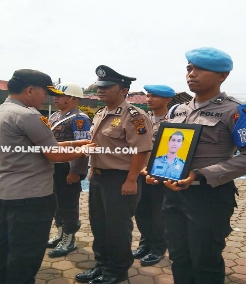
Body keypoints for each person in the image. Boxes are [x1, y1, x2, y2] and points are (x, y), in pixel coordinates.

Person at [145, 47, 246, 284]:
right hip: (173, 194)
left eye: (201, 69)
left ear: (223, 76)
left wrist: (200, 174)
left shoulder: (237, 110)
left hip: (209, 196)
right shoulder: (177, 110)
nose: (192, 73)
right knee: (179, 257)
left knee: (205, 261)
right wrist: (153, 168)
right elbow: (167, 146)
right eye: (189, 68)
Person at [0, 69, 94, 284]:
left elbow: (36, 146)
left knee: (5, 239)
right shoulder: (29, 115)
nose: (48, 98)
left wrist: (76, 144)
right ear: (30, 90)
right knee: (27, 248)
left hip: (5, 189)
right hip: (30, 194)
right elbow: (52, 153)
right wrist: (87, 150)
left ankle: (2, 276)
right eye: (45, 93)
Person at [75, 65, 153, 284]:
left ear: (123, 90)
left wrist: (131, 180)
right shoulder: (101, 113)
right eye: (100, 87)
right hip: (100, 178)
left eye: (108, 87)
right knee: (99, 225)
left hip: (121, 179)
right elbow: (98, 145)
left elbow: (142, 150)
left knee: (117, 228)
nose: (101, 91)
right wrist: (92, 170)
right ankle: (101, 265)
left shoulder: (135, 116)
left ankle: (116, 271)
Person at [46, 82, 91, 258]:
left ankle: (69, 238)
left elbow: (84, 148)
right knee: (55, 203)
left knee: (68, 204)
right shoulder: (55, 116)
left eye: (59, 95)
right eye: (55, 95)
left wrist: (76, 172)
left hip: (68, 168)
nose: (55, 98)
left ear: (72, 98)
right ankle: (59, 233)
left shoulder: (80, 119)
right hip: (52, 167)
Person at [133, 85, 174, 266]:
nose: (149, 99)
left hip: (159, 174)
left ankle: (157, 248)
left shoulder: (173, 121)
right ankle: (145, 244)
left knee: (158, 214)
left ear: (167, 100)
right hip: (140, 172)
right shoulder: (143, 119)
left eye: (154, 96)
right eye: (148, 96)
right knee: (141, 211)